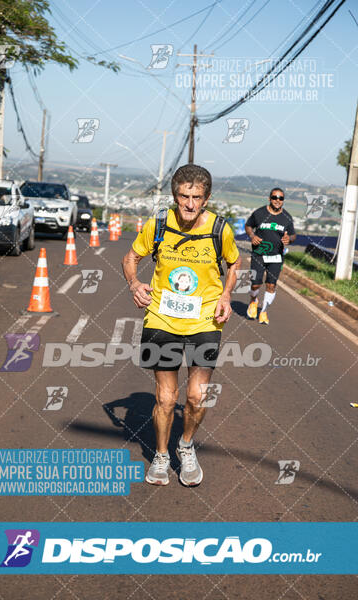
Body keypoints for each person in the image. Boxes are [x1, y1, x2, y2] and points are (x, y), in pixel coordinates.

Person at [122, 164, 241, 487]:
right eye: (183, 196)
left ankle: (185, 445)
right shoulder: (158, 224)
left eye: (196, 197)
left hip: (205, 318)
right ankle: (161, 456)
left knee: (196, 397)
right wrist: (134, 283)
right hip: (162, 317)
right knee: (166, 399)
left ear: (207, 198)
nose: (189, 204)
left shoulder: (219, 229)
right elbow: (131, 257)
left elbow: (234, 262)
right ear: (174, 195)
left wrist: (227, 295)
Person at [245, 187, 296, 324]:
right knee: (255, 284)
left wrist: (288, 240)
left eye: (280, 198)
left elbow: (293, 235)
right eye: (274, 197)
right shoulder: (259, 213)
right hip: (259, 254)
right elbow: (248, 225)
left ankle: (264, 312)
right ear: (269, 198)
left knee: (271, 285)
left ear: (283, 201)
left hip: (276, 257)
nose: (277, 200)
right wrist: (252, 235)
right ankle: (253, 300)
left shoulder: (287, 217)